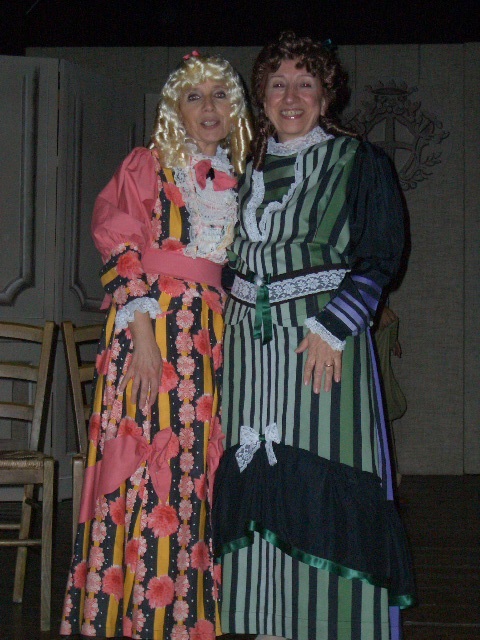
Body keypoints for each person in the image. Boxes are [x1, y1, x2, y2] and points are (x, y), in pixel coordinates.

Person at [212, 32, 416, 640]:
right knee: (256, 469)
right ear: (262, 97)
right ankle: (267, 621)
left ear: (327, 95)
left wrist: (336, 323)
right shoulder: (239, 170)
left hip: (319, 339)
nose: (291, 96)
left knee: (318, 468)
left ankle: (329, 624)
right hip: (248, 346)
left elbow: (382, 253)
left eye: (306, 83)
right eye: (278, 84)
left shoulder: (359, 161)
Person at [60, 51, 252, 639]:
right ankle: (133, 619)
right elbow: (120, 243)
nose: (209, 108)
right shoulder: (149, 164)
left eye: (220, 95)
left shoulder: (237, 177)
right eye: (195, 97)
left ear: (235, 109)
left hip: (209, 340)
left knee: (194, 471)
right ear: (175, 110)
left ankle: (182, 620)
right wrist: (144, 339)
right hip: (153, 331)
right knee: (146, 466)